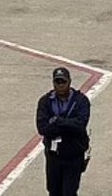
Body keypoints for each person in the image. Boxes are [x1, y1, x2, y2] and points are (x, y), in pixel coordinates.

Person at [36, 67, 91, 196]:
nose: (60, 85)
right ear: (53, 83)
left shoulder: (81, 101)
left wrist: (57, 121)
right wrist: (68, 126)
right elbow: (42, 128)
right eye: (57, 82)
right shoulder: (45, 101)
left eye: (63, 82)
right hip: (53, 156)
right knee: (53, 191)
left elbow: (80, 125)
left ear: (69, 82)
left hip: (73, 155)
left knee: (69, 192)